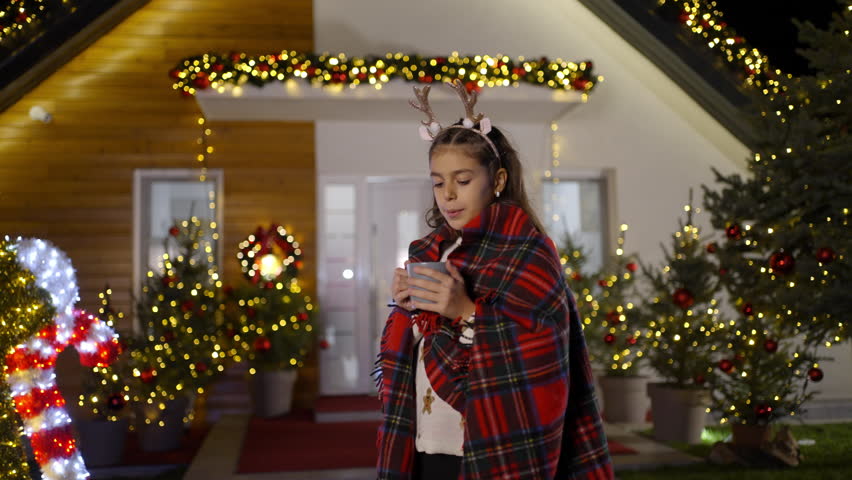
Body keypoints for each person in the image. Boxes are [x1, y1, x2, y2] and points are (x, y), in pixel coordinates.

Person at [375, 79, 613, 480]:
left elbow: (541, 355)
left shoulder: (529, 253)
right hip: (427, 439)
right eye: (438, 181)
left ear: (498, 181)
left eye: (463, 180)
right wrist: (408, 310)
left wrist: (464, 309)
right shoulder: (426, 251)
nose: (448, 194)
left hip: (494, 444)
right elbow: (421, 349)